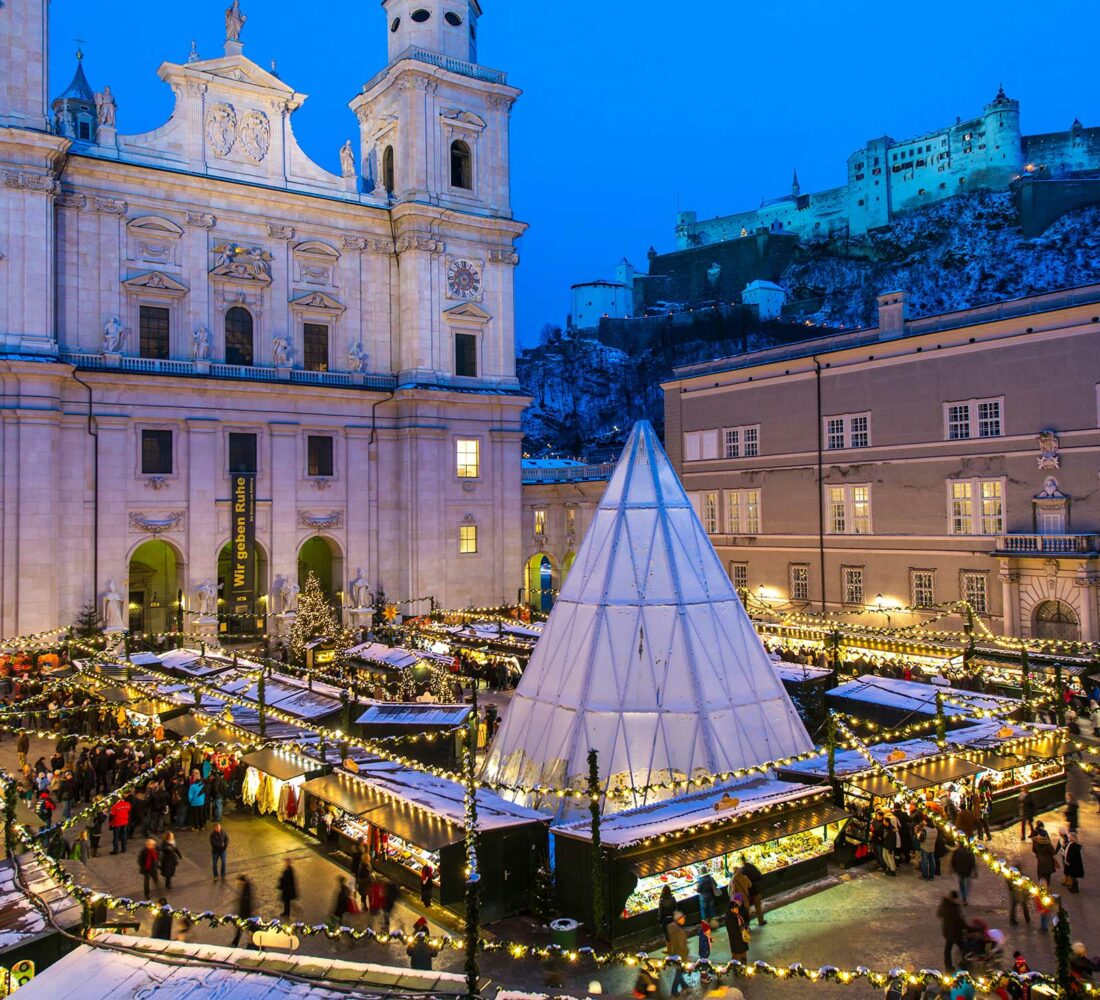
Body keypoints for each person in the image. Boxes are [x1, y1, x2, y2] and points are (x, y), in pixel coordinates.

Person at [937, 890, 966, 971]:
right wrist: (968, 927)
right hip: (956, 933)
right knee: (964, 948)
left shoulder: (945, 904)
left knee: (947, 950)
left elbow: (939, 914)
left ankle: (948, 967)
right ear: (955, 898)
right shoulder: (955, 908)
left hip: (948, 932)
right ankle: (964, 964)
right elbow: (960, 921)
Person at [666, 910, 690, 997]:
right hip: (680, 955)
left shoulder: (672, 927)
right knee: (679, 972)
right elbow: (682, 946)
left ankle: (684, 985)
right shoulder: (678, 931)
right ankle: (674, 990)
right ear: (678, 919)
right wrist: (687, 955)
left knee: (679, 971)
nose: (684, 919)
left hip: (674, 954)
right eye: (682, 918)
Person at [738, 857, 767, 924]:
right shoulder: (752, 867)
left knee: (746, 909)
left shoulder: (742, 871)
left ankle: (747, 925)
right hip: (756, 891)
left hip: (748, 893)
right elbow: (759, 875)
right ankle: (761, 921)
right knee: (758, 907)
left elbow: (743, 883)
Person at [231, 875, 255, 948]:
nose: (238, 884)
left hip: (245, 914)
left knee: (246, 929)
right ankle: (236, 942)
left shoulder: (246, 891)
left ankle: (252, 942)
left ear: (243, 882)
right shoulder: (245, 888)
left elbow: (246, 903)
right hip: (244, 913)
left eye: (240, 882)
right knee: (242, 929)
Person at [727, 893, 750, 964]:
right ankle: (735, 966)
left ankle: (743, 964)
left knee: (743, 952)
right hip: (735, 938)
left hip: (742, 936)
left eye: (739, 901)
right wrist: (741, 930)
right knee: (736, 954)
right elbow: (731, 928)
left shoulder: (742, 910)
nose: (739, 902)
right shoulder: (729, 916)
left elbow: (747, 919)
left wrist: (745, 927)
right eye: (737, 901)